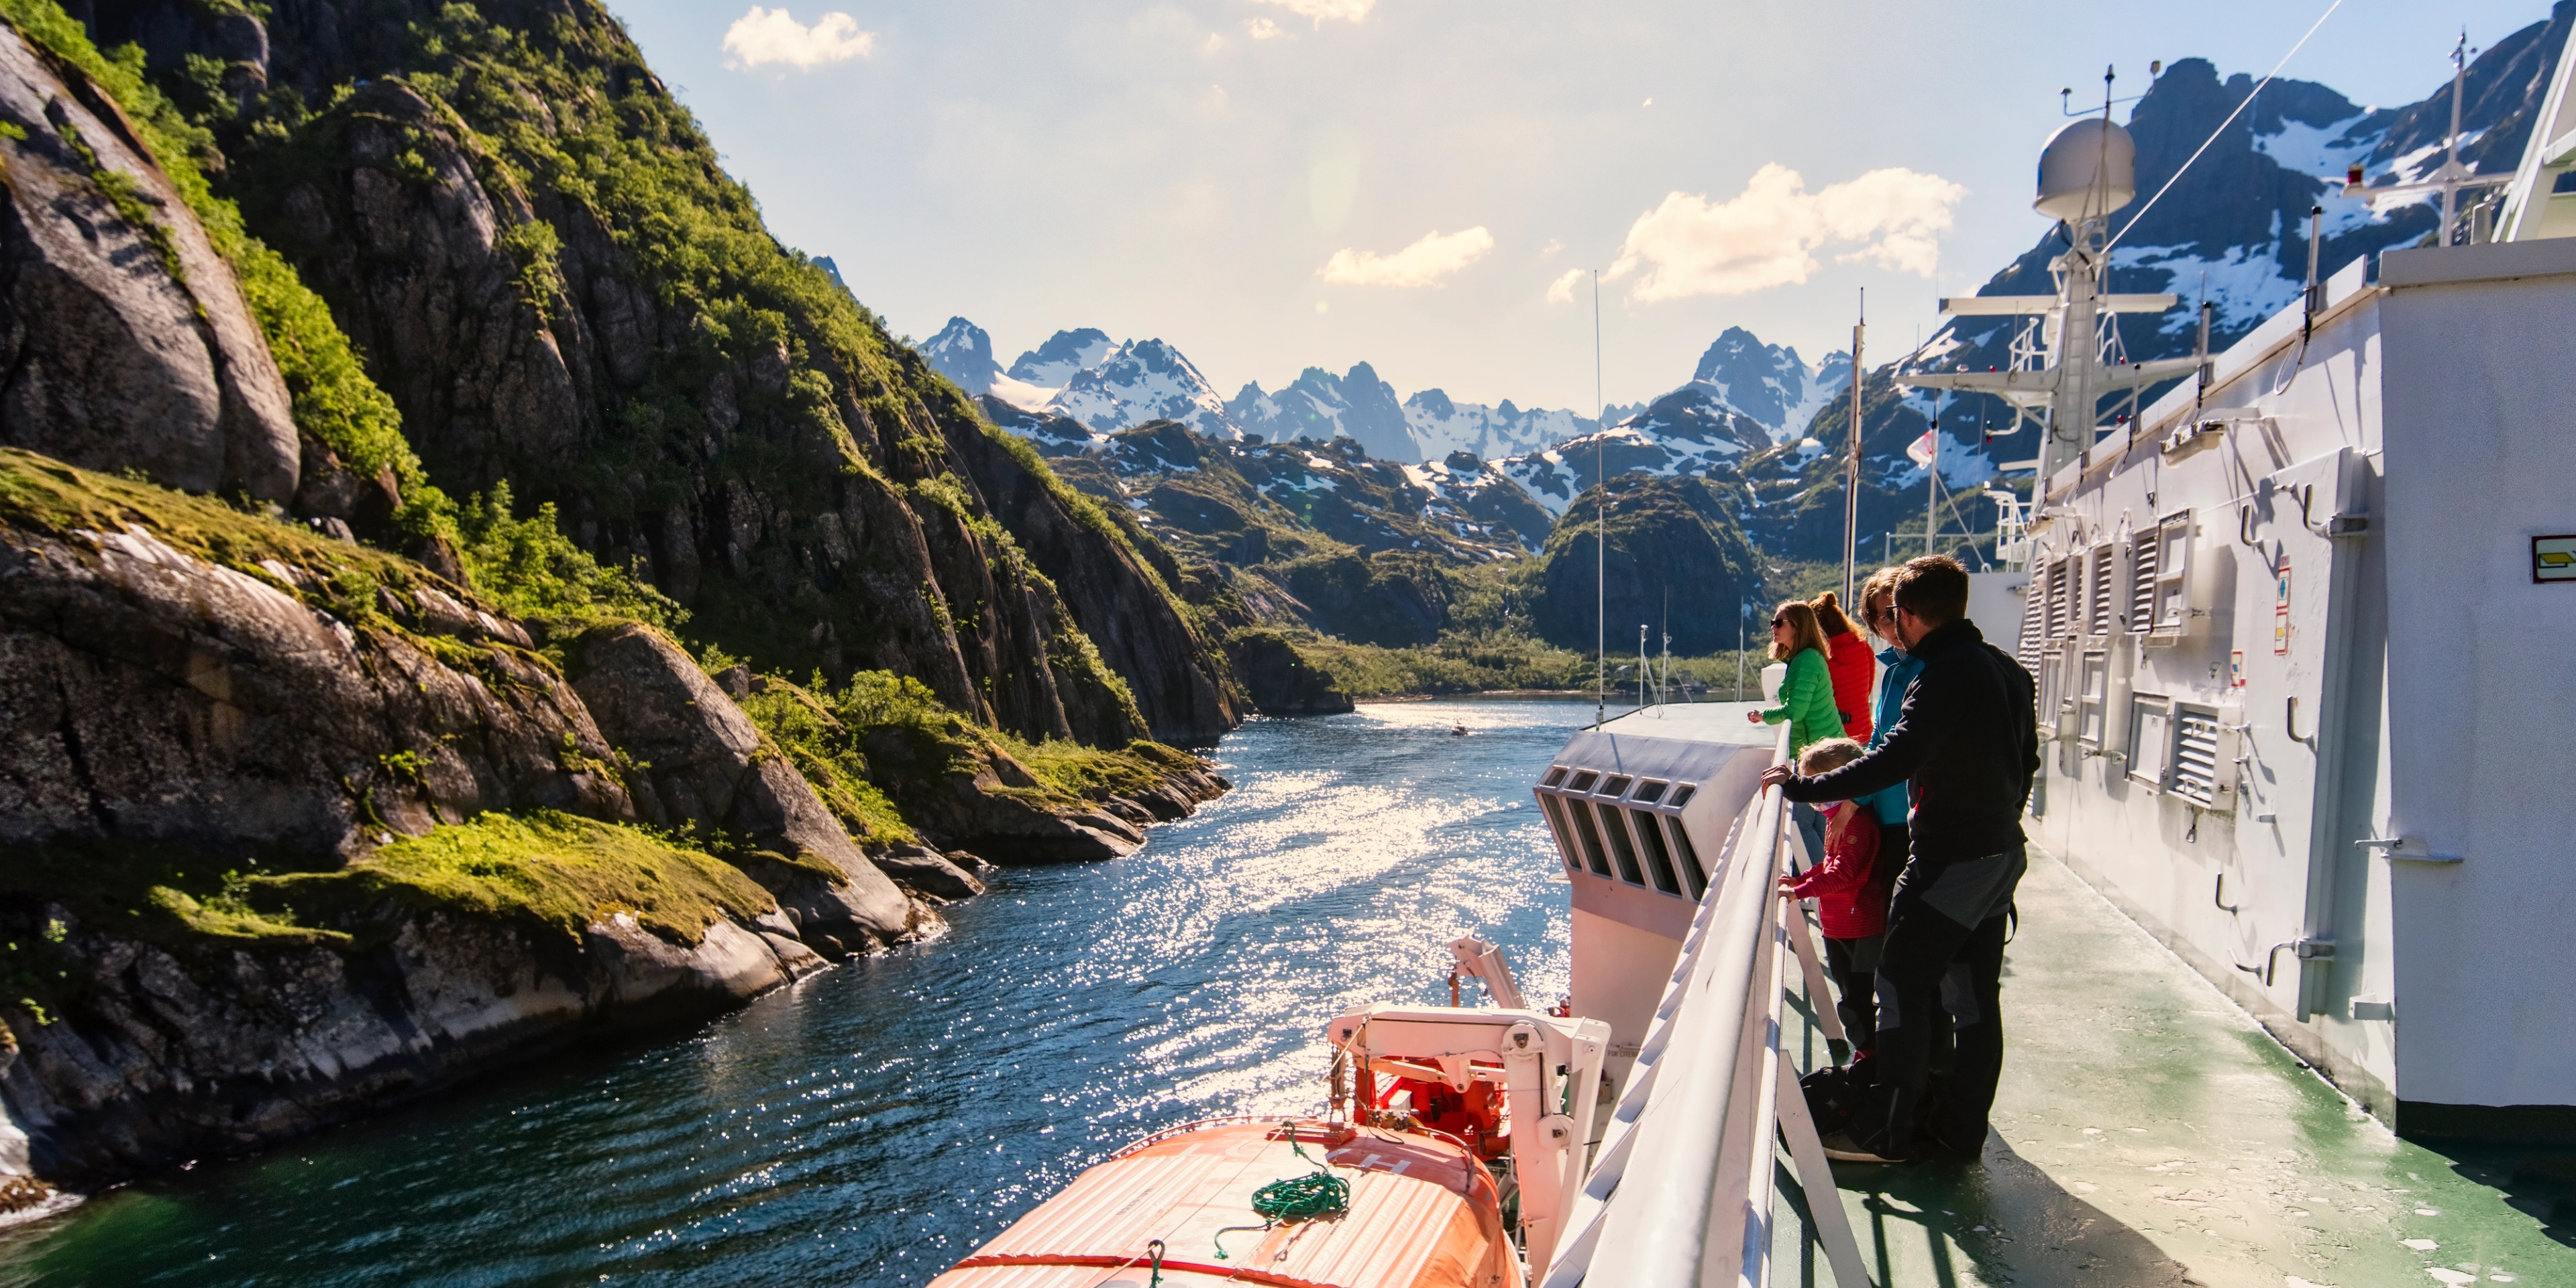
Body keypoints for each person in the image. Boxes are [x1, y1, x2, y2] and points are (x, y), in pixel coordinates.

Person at [1761, 555, 2038, 1165]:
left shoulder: (1940, 676)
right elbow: (2028, 762)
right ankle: (1960, 1131)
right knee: (1972, 1002)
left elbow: (1896, 756)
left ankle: (1887, 1132)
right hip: (1998, 855)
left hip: (1950, 859)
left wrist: (1801, 786)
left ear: (1907, 616)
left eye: (1894, 618)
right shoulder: (2006, 668)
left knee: (1899, 982)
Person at [1776, 737, 1888, 1062]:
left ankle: (1868, 1054)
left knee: (1858, 996)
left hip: (1857, 926)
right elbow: (1829, 863)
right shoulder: (1837, 820)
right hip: (1839, 923)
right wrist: (1801, 879)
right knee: (1849, 991)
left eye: (1816, 785)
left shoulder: (1856, 825)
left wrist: (1799, 892)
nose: (1813, 799)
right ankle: (1866, 1051)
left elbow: (1845, 874)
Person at [1746, 598, 1844, 864]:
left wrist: (1762, 715)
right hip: (1818, 751)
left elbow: (1795, 711)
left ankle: (1822, 881)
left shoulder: (1806, 660)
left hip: (1820, 754)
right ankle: (1828, 880)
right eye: (1772, 623)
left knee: (1802, 820)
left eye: (1779, 623)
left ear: (1798, 626)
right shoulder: (1802, 659)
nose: (1773, 628)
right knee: (1815, 819)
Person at [1812, 590, 1877, 743]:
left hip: (1833, 737)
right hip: (1864, 734)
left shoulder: (1820, 658)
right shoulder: (1864, 647)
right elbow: (1867, 690)